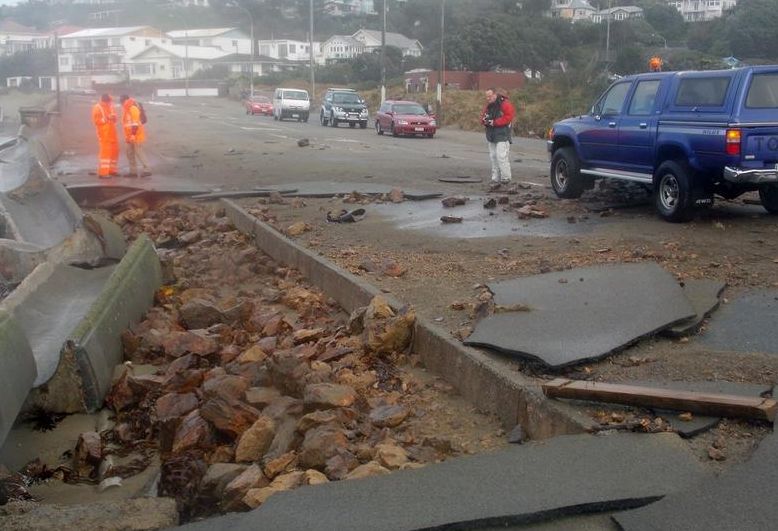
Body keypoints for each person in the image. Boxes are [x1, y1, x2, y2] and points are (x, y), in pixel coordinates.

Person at [481, 87, 515, 188]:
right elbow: (482, 117)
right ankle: (495, 178)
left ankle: (506, 178)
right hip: (491, 135)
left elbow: (509, 117)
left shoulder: (505, 104)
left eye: (490, 96)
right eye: (487, 96)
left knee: (501, 156)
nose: (488, 98)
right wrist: (484, 120)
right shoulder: (489, 106)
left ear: (495, 95)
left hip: (502, 135)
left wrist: (494, 122)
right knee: (493, 157)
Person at [119, 94, 151, 178]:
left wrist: (133, 135)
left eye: (122, 101)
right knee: (129, 153)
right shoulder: (126, 109)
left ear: (126, 100)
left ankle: (147, 170)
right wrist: (128, 136)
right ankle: (133, 172)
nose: (121, 103)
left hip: (136, 135)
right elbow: (126, 124)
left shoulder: (133, 108)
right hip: (129, 136)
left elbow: (135, 123)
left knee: (139, 153)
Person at [91, 93, 119, 178]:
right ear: (105, 100)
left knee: (114, 151)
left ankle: (112, 170)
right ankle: (103, 173)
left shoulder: (110, 106)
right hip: (104, 133)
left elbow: (115, 118)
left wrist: (114, 117)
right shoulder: (97, 107)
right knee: (105, 153)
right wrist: (107, 118)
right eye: (109, 101)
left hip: (112, 132)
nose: (110, 103)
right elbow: (96, 121)